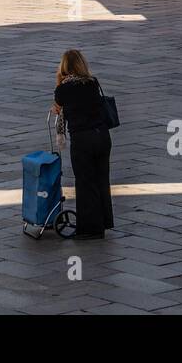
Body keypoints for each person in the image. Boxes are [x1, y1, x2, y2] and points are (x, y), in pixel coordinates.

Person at [51, 49, 113, 240]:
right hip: (102, 136)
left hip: (83, 138)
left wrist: (59, 81)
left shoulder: (63, 89)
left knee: (85, 182)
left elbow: (58, 105)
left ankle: (89, 228)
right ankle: (103, 223)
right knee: (101, 179)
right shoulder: (92, 82)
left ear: (64, 67)